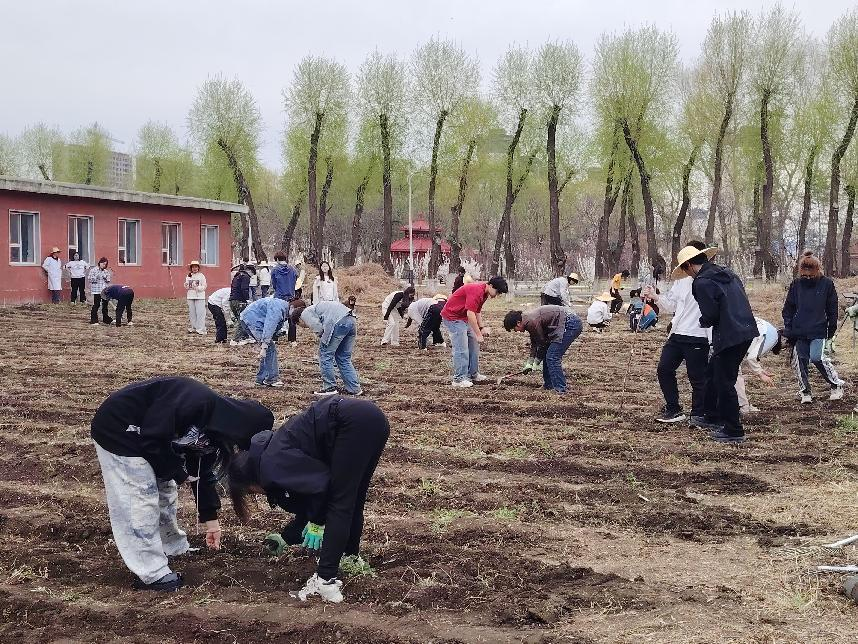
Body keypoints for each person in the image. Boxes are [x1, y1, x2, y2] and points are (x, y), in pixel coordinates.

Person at [91, 376, 273, 592]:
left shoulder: (215, 435)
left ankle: (172, 547)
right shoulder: (196, 401)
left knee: (166, 492)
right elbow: (152, 438)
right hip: (120, 429)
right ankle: (151, 573)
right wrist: (178, 473)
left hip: (151, 440)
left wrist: (211, 522)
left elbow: (201, 473)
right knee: (139, 498)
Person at [227, 397, 389, 603]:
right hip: (374, 419)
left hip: (350, 422)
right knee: (353, 498)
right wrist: (288, 536)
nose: (257, 494)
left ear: (249, 480)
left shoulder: (271, 465)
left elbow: (323, 485)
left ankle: (325, 581)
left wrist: (317, 522)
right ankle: (350, 557)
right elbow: (311, 497)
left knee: (340, 502)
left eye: (250, 492)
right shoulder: (274, 450)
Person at [681, 245, 758, 443]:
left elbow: (711, 314)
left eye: (684, 269)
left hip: (729, 335)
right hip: (746, 330)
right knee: (712, 373)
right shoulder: (726, 273)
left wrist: (703, 321)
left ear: (689, 265)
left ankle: (734, 430)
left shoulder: (701, 282)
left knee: (724, 381)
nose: (686, 274)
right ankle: (712, 416)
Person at [645, 240, 710, 425]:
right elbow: (671, 305)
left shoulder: (710, 281)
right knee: (664, 369)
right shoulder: (681, 280)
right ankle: (673, 408)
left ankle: (699, 414)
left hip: (698, 335)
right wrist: (655, 297)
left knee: (697, 378)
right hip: (677, 333)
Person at [782, 250, 844, 404]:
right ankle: (805, 391)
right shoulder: (796, 285)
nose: (808, 278)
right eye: (805, 275)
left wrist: (831, 328)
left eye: (811, 275)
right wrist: (789, 328)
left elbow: (832, 308)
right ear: (801, 272)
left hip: (818, 329)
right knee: (800, 361)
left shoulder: (827, 284)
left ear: (817, 270)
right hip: (799, 330)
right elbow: (788, 308)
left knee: (817, 357)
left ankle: (836, 385)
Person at [441, 276, 508, 388]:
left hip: (462, 317)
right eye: (497, 292)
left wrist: (481, 328)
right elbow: (470, 314)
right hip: (453, 317)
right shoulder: (476, 291)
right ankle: (458, 379)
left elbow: (477, 311)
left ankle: (472, 374)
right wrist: (478, 334)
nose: (497, 295)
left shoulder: (484, 293)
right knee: (461, 349)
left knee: (473, 345)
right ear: (491, 286)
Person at [503, 305, 583, 393]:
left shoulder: (531, 321)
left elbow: (542, 344)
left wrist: (536, 362)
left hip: (570, 324)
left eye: (514, 329)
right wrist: (530, 362)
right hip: (563, 323)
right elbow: (535, 342)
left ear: (518, 323)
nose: (516, 331)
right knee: (549, 354)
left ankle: (561, 389)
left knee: (552, 357)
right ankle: (549, 385)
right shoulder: (527, 320)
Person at [300, 300, 361, 396]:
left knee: (325, 355)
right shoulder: (316, 308)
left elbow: (319, 329)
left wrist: (324, 340)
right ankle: (354, 388)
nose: (305, 327)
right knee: (343, 358)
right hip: (351, 320)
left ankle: (330, 387)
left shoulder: (304, 313)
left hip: (338, 322)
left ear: (299, 320)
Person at [239, 296, 291, 387]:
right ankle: (271, 379)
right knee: (270, 348)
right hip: (252, 321)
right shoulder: (277, 309)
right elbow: (269, 325)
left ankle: (261, 379)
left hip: (251, 318)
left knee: (269, 349)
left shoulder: (283, 307)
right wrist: (264, 345)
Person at [736, 317, 782, 414]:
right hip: (731, 340)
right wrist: (760, 374)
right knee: (735, 372)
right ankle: (744, 407)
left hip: (729, 336)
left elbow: (750, 351)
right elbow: (751, 357)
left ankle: (741, 405)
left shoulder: (767, 327)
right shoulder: (772, 336)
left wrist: (760, 370)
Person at [229, 265, 252, 343]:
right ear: (250, 271)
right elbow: (244, 289)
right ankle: (235, 340)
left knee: (240, 320)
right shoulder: (245, 277)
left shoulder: (236, 276)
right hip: (240, 301)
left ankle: (245, 337)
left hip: (232, 301)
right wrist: (247, 299)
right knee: (242, 320)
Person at [184, 260, 207, 335]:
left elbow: (204, 286)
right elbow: (187, 286)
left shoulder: (201, 276)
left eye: (196, 267)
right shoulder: (188, 276)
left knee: (200, 313)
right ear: (191, 268)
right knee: (192, 313)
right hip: (190, 296)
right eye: (193, 267)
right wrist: (186, 285)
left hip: (200, 296)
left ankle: (200, 329)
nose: (194, 268)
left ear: (198, 268)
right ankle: (194, 327)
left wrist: (197, 288)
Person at [88, 257, 112, 325]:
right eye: (103, 263)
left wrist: (106, 278)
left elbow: (108, 280)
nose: (104, 265)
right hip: (96, 290)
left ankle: (106, 319)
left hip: (104, 290)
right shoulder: (93, 270)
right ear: (100, 263)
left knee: (105, 305)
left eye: (105, 264)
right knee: (97, 304)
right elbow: (89, 279)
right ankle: (94, 320)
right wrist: (96, 277)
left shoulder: (105, 271)